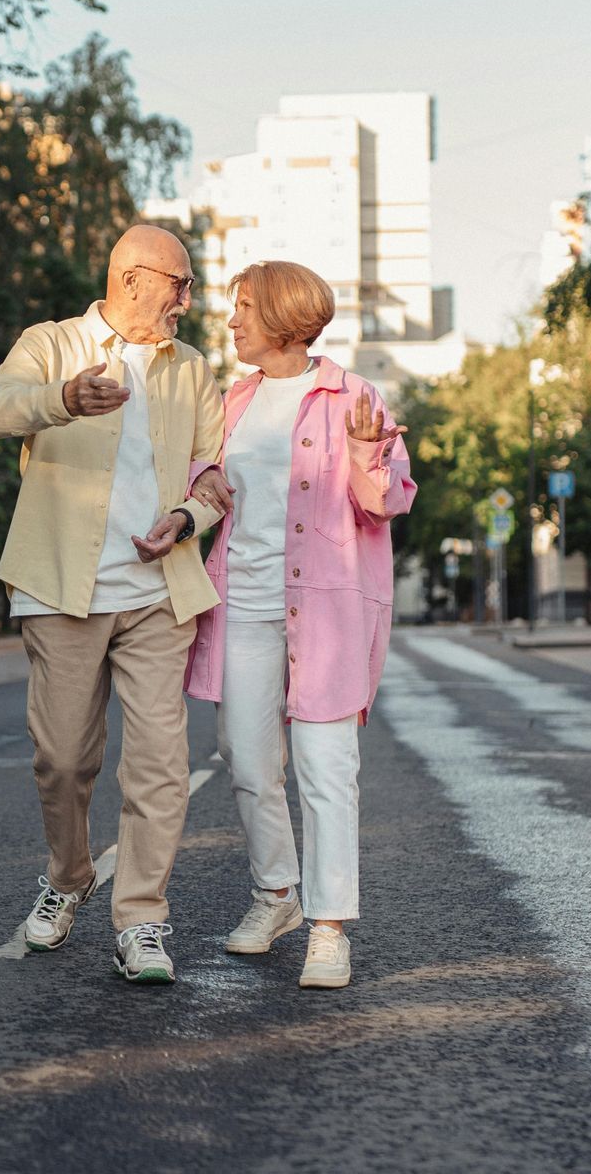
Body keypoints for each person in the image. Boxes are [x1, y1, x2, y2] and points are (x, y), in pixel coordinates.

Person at [0, 225, 226, 984]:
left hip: (159, 591)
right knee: (63, 758)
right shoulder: (51, 344)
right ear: (132, 278)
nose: (188, 300)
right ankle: (69, 874)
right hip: (59, 585)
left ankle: (142, 919)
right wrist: (62, 398)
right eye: (179, 285)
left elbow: (215, 474)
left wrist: (188, 519)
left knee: (159, 764)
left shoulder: (192, 371)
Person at [183, 260, 416, 990]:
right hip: (243, 601)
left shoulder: (352, 395)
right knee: (247, 761)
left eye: (244, 307)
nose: (232, 321)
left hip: (328, 606)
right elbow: (206, 485)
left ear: (283, 316)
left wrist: (366, 452)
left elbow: (384, 502)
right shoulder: (234, 401)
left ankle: (328, 926)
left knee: (326, 766)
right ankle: (275, 896)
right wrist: (196, 486)